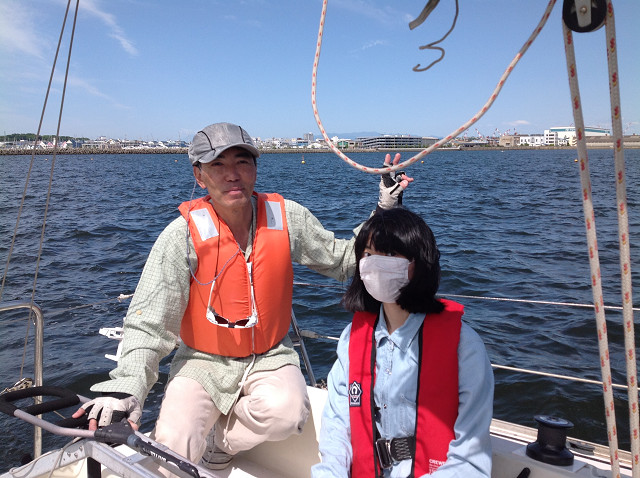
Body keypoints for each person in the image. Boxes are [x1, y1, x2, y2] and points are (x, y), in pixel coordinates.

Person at [71, 122, 412, 474]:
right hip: (202, 360)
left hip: (270, 355)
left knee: (288, 413)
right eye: (218, 165)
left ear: (255, 169)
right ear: (199, 176)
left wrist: (385, 209)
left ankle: (220, 444)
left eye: (242, 162)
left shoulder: (286, 217)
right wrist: (126, 388)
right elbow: (149, 322)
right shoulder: (181, 236)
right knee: (173, 442)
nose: (232, 174)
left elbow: (343, 261)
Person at [311, 207, 494, 477]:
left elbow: (470, 461)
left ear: (419, 263)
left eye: (389, 254)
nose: (375, 264)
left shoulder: (464, 347)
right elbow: (338, 427)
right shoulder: (352, 339)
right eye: (368, 254)